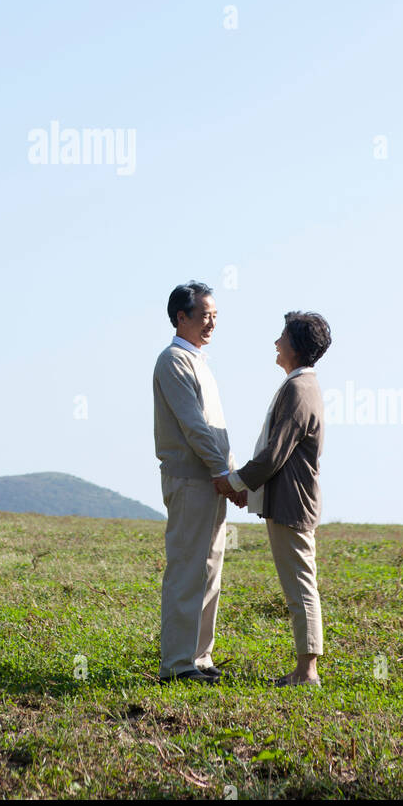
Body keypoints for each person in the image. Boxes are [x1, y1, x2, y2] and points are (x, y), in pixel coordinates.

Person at [216, 311, 331, 687]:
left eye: (282, 336)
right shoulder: (301, 386)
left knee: (300, 584)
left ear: (296, 346)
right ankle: (305, 667)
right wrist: (246, 487)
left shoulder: (299, 389)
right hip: (289, 499)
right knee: (299, 582)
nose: (276, 342)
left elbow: (274, 454)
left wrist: (234, 481)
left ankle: (307, 671)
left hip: (292, 503)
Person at [153, 281, 239, 684]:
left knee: (210, 569)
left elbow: (216, 429)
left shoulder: (200, 361)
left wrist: (232, 474)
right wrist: (224, 472)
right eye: (204, 316)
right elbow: (194, 427)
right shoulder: (172, 361)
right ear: (180, 317)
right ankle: (176, 664)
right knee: (187, 570)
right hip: (192, 480)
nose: (211, 324)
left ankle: (200, 657)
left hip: (212, 480)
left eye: (215, 317)